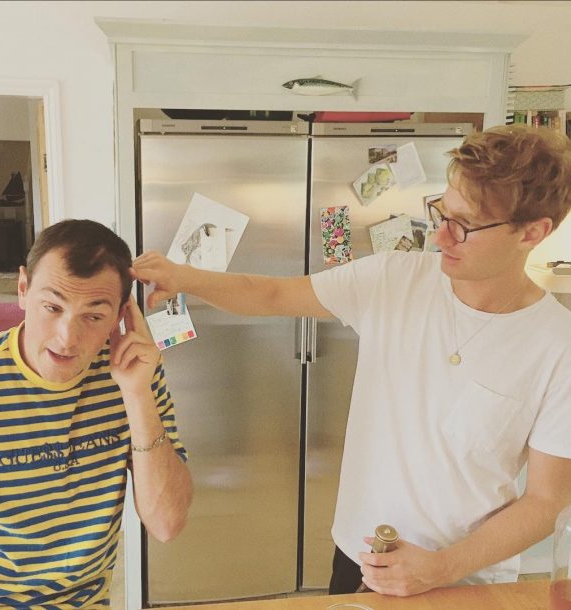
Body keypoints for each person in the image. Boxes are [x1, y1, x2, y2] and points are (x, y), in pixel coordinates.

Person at [132, 124, 571, 597]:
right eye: (442, 212)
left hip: (465, 576)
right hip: (360, 554)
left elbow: (546, 500)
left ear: (533, 232)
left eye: (465, 225)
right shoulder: (394, 279)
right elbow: (271, 293)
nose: (441, 236)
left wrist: (442, 567)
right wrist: (184, 277)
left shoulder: (559, 346)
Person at [0, 219, 192, 608]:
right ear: (23, 289)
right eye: (52, 307)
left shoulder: (134, 374)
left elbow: (167, 523)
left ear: (120, 315)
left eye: (94, 316)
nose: (67, 338)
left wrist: (137, 395)